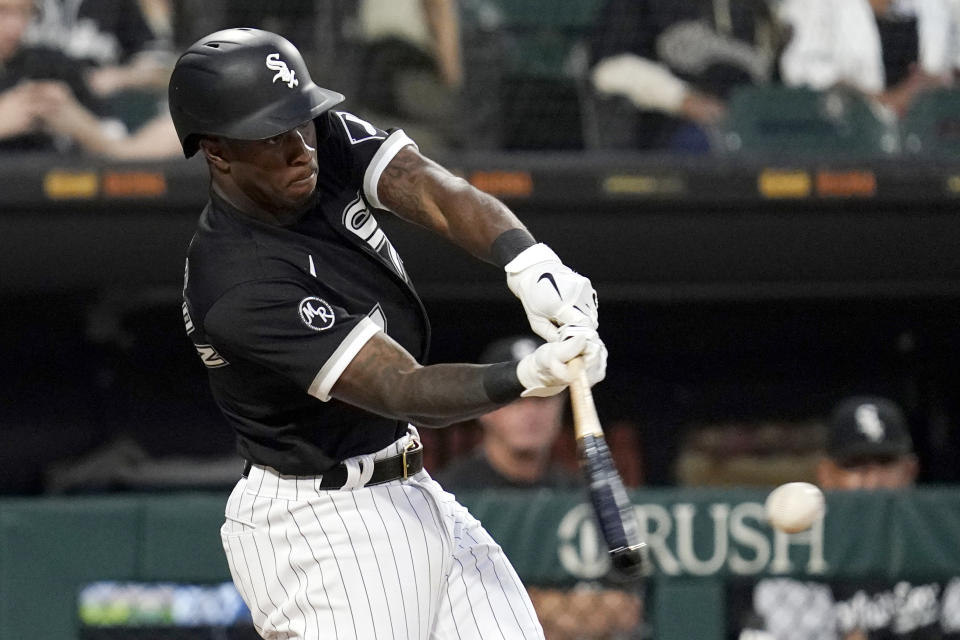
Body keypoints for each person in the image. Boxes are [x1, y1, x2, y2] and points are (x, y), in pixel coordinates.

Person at [169, 28, 606, 640]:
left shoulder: (316, 140)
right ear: (217, 152)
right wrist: (528, 376)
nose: (302, 148)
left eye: (303, 121)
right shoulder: (237, 281)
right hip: (322, 525)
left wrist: (530, 262)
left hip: (407, 487)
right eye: (273, 136)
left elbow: (428, 185)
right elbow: (399, 386)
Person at [438, 335, 643, 640]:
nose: (531, 412)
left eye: (543, 398)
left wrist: (520, 603)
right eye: (516, 400)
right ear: (484, 408)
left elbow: (626, 609)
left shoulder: (582, 495)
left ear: (561, 406)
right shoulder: (447, 494)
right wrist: (566, 608)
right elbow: (447, 609)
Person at [743, 395, 960, 640]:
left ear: (910, 470)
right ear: (826, 475)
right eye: (855, 465)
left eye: (885, 462)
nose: (872, 482)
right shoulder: (800, 550)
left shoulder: (946, 538)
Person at [589, 0, 787, 152]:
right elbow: (608, 69)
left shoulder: (758, 9)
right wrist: (681, 99)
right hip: (672, 130)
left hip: (754, 127)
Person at [777, 0, 957, 120]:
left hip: (921, 142)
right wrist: (880, 100)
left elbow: (951, 65)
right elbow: (799, 68)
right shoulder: (815, 4)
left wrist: (931, 82)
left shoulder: (934, 7)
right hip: (842, 135)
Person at [0, 0, 123, 152]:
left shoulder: (50, 64)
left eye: (24, 12)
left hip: (53, 170)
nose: (14, 25)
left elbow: (118, 142)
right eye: (2, 11)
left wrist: (76, 122)